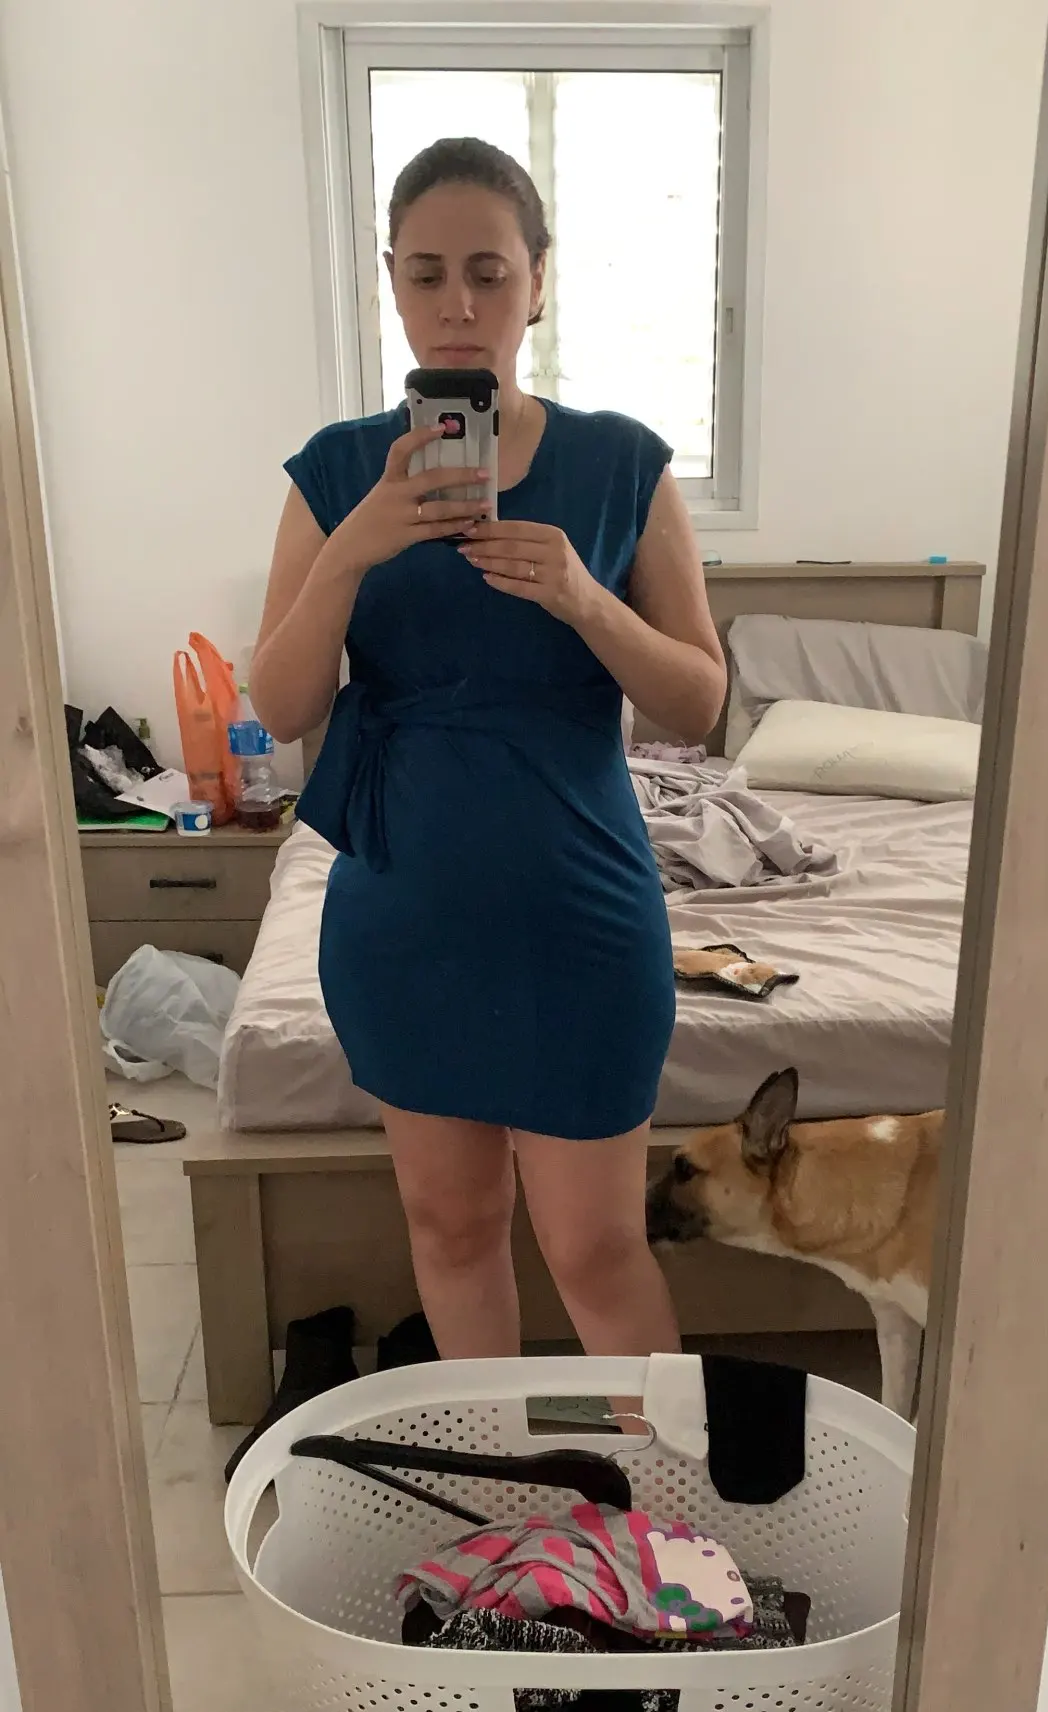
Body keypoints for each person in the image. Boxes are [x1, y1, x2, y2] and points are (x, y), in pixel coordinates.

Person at [250, 136, 726, 1364]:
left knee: (596, 1247)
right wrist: (353, 549)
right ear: (392, 285)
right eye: (426, 274)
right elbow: (283, 702)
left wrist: (584, 599)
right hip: (405, 917)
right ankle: (502, 1474)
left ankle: (661, 1485)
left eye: (488, 273)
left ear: (538, 282)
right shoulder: (336, 472)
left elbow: (699, 704)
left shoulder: (622, 463)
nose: (457, 305)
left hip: (583, 916)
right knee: (451, 1227)